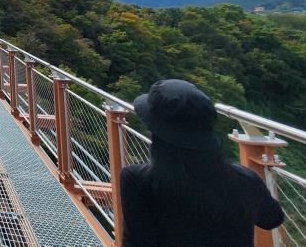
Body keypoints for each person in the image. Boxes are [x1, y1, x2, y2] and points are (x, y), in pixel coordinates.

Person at [120, 79, 284, 247]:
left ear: (156, 132)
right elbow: (272, 218)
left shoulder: (137, 180)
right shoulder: (244, 179)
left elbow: (134, 242)